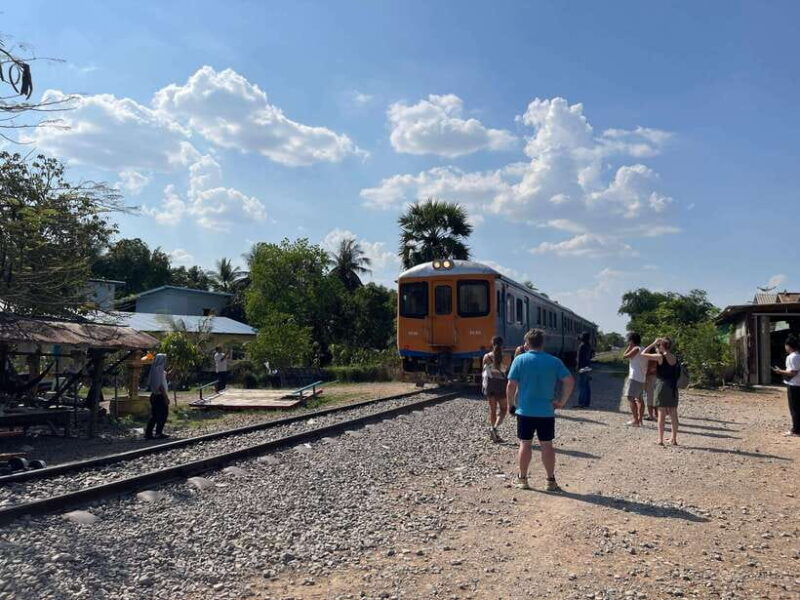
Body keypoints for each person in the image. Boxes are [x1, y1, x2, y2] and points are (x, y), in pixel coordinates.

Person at [506, 329, 574, 492]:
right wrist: (561, 402)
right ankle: (550, 481)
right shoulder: (554, 361)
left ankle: (523, 479)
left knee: (525, 444)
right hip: (546, 412)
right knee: (547, 445)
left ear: (527, 344)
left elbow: (510, 385)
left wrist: (511, 405)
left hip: (525, 411)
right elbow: (569, 381)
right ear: (543, 343)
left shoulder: (520, 360)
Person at [641, 338, 680, 445]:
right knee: (673, 413)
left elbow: (643, 354)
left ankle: (660, 440)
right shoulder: (674, 357)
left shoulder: (659, 357)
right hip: (673, 387)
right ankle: (674, 439)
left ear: (662, 346)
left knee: (661, 413)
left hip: (662, 386)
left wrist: (653, 343)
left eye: (658, 346)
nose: (656, 348)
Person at [772, 334, 800, 437]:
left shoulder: (792, 357)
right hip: (797, 384)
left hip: (794, 385)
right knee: (798, 408)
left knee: (794, 408)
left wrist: (780, 371)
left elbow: (793, 372)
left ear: (789, 346)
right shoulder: (798, 356)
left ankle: (796, 430)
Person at [482, 336, 508, 442]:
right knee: (503, 409)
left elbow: (484, 372)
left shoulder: (486, 356)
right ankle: (494, 429)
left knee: (492, 410)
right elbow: (506, 371)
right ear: (502, 345)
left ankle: (493, 431)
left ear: (492, 344)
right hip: (501, 384)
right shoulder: (506, 357)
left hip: (490, 384)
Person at [622, 332, 647, 426]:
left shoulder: (636, 349)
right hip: (641, 377)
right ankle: (640, 420)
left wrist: (629, 347)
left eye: (629, 340)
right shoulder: (643, 348)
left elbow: (624, 356)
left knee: (630, 397)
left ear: (631, 341)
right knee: (640, 399)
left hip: (634, 377)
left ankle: (635, 420)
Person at [145, 353, 170, 440]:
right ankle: (158, 433)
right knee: (163, 415)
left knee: (155, 416)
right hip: (159, 396)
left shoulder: (156, 369)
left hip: (154, 395)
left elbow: (165, 377)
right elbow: (160, 386)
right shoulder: (158, 370)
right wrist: (165, 397)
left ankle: (149, 433)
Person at [576, 332, 593, 408]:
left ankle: (581, 403)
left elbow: (580, 359)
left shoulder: (582, 346)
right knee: (586, 385)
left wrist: (578, 368)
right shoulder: (588, 345)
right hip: (588, 367)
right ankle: (586, 403)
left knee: (582, 386)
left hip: (583, 367)